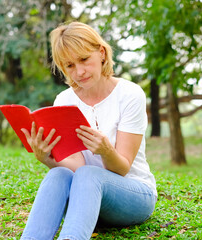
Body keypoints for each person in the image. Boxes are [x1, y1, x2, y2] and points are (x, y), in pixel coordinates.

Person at [20, 21, 157, 240]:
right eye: (69, 66)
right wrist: (45, 158)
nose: (79, 72)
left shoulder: (130, 94)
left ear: (101, 53)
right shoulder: (64, 100)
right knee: (58, 173)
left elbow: (122, 168)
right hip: (84, 200)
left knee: (89, 174)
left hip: (133, 196)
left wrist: (106, 151)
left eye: (84, 59)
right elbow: (77, 166)